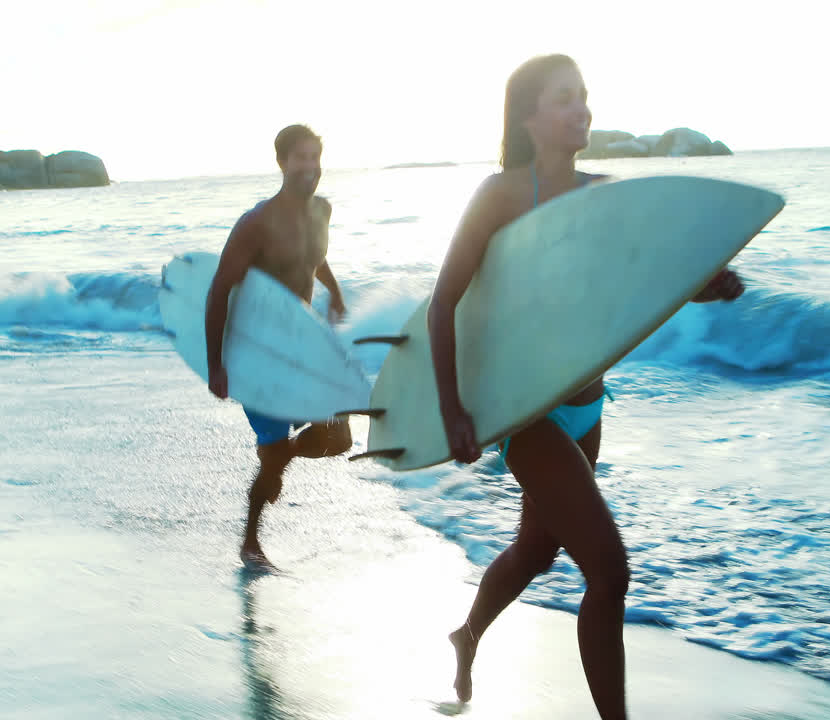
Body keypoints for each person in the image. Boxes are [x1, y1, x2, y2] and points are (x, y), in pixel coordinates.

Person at [427, 55, 746, 717]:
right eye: (565, 99)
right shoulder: (501, 196)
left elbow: (642, 282)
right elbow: (443, 303)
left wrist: (703, 286)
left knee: (536, 553)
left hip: (587, 405)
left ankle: (466, 635)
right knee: (609, 572)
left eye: (585, 97)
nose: (583, 111)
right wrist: (453, 408)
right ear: (530, 117)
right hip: (528, 413)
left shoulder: (604, 195)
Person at [205, 124, 353, 572]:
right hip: (258, 356)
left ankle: (280, 453)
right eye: (301, 158)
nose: (310, 167)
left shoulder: (322, 210)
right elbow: (218, 291)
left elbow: (313, 255)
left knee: (338, 437)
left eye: (315, 157)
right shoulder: (256, 224)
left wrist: (335, 290)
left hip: (302, 349)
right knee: (271, 474)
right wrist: (216, 366)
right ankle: (250, 543)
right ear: (282, 162)